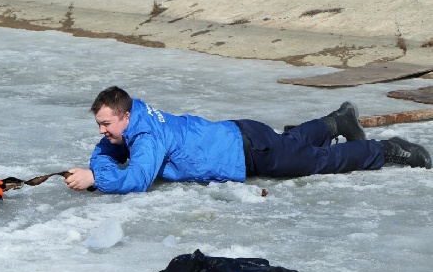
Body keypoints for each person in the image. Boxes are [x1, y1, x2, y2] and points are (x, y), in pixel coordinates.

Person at [65, 86, 431, 194]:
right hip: (241, 136)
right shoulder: (137, 116)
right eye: (99, 124)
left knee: (317, 162)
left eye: (106, 123)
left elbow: (138, 179)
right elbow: (108, 147)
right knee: (292, 144)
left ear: (125, 116)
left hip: (247, 152)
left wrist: (98, 177)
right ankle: (338, 121)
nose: (102, 131)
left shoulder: (144, 135)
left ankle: (388, 149)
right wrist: (101, 158)